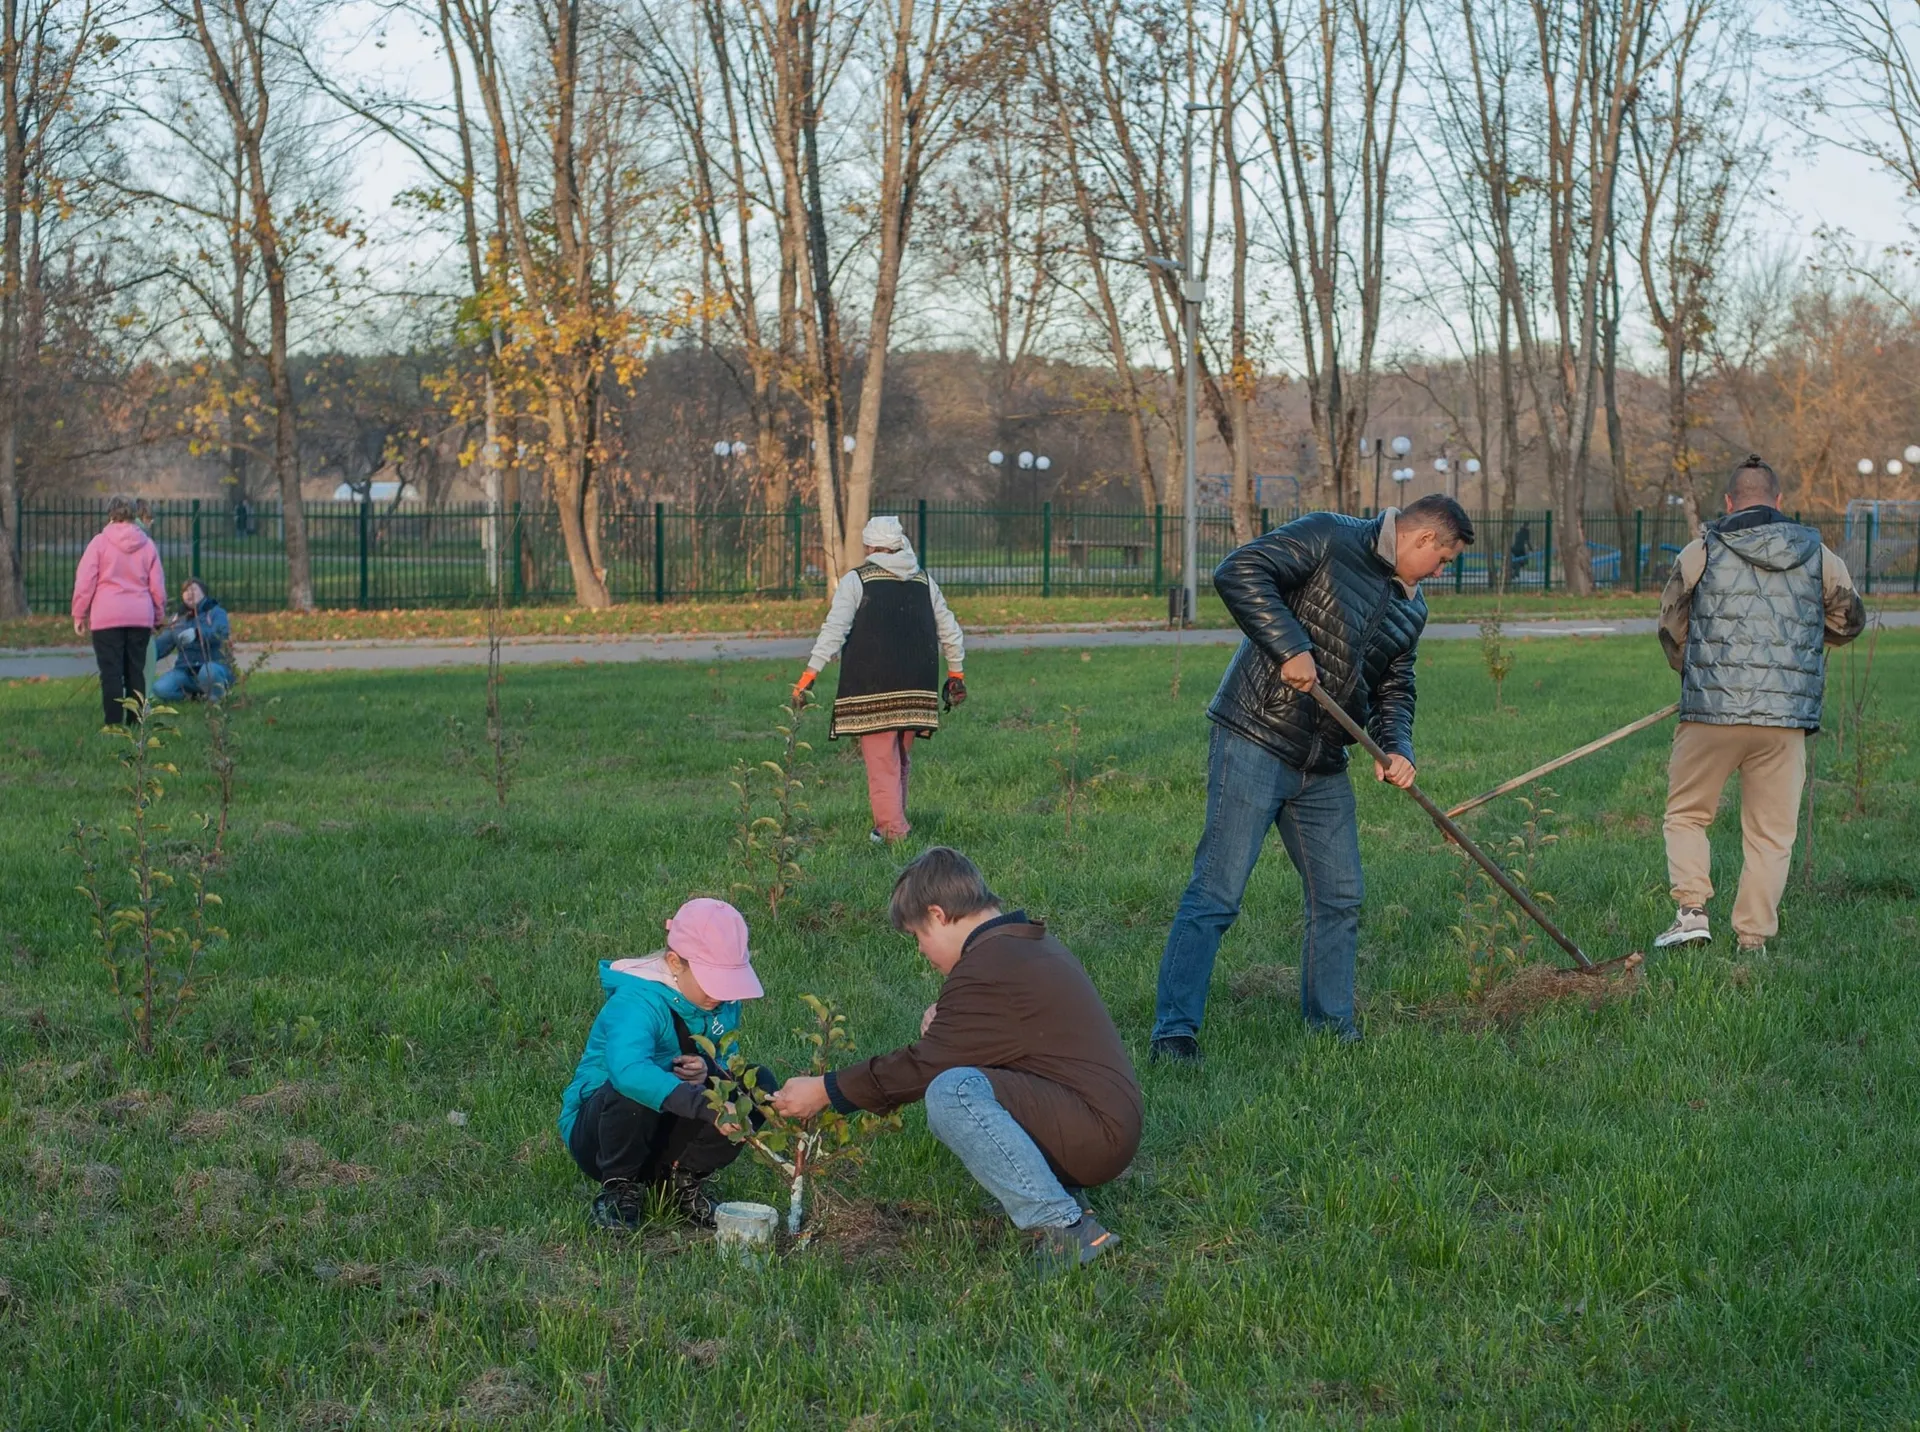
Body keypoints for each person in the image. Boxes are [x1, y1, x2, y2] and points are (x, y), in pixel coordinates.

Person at [1150, 494, 1475, 1063]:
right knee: (1217, 893)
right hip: (1255, 735)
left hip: (1323, 762)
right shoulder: (1330, 536)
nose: (1442, 573)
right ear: (1423, 540)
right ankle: (1173, 1033)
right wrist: (1290, 644)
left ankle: (1331, 1029)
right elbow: (1239, 570)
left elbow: (1395, 688)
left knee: (1341, 895)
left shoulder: (1411, 607)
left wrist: (1395, 747)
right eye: (1444, 561)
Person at [770, 847, 1141, 1268]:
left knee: (952, 1092)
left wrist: (827, 1089)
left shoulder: (990, 965)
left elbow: (924, 1067)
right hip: (1098, 1120)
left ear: (939, 915)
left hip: (1096, 1134)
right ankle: (1054, 1194)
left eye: (918, 935)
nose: (922, 952)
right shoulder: (1019, 946)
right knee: (958, 1078)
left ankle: (1064, 1228)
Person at [1653, 455, 1864, 956]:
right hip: (1785, 720)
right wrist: (1807, 647)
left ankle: (1692, 913)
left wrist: (1691, 668)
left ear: (1728, 502)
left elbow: (1670, 621)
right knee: (1771, 835)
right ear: (1779, 501)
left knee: (1687, 813)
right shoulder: (1820, 555)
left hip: (1710, 713)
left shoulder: (1701, 549)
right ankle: (1752, 940)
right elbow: (1850, 619)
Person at [558, 897, 776, 1232]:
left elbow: (726, 1058)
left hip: (667, 1125)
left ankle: (683, 1181)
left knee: (756, 1082)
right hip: (603, 1135)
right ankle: (620, 1188)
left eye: (728, 980)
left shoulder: (723, 1002)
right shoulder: (637, 1001)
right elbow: (627, 1071)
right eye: (713, 980)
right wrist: (706, 1106)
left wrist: (709, 1070)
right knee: (637, 1083)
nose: (721, 995)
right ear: (675, 963)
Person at [792, 515, 967, 843]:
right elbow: (949, 629)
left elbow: (835, 630)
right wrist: (956, 673)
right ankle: (893, 820)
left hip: (873, 683)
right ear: (899, 543)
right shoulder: (924, 581)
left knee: (881, 760)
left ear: (870, 546)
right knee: (899, 756)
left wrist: (809, 674)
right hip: (918, 682)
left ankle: (892, 832)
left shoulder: (857, 580)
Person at [70, 496, 166, 727]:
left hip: (107, 616)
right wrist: (158, 614)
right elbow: (157, 586)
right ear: (134, 515)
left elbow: (85, 581)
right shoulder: (147, 545)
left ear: (110, 514)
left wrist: (79, 613)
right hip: (140, 616)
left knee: (110, 672)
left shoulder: (99, 543)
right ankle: (136, 721)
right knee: (136, 670)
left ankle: (113, 723)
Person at [153, 579, 233, 703]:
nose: (189, 593)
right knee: (160, 688)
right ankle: (193, 698)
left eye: (194, 589)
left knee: (208, 673)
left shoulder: (216, 612)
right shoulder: (177, 618)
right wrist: (145, 652)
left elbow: (221, 633)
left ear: (204, 593)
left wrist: (197, 633)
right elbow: (162, 645)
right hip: (185, 671)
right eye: (185, 591)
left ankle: (217, 699)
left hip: (214, 667)